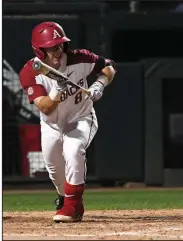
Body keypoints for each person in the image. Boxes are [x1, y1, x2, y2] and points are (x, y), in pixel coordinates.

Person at [19, 22, 117, 222]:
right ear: (40, 50)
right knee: (55, 170)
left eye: (60, 45)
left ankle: (73, 206)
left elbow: (109, 66)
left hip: (81, 117)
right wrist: (57, 90)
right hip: (51, 125)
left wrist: (100, 84)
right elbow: (45, 107)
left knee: (74, 149)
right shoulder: (30, 71)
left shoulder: (79, 58)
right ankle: (65, 199)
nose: (58, 50)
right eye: (52, 47)